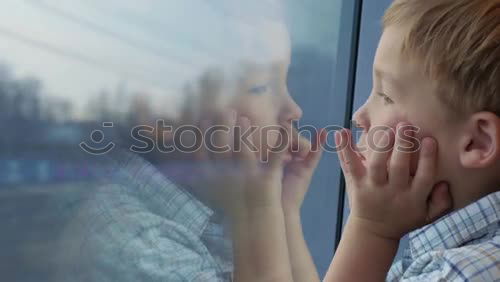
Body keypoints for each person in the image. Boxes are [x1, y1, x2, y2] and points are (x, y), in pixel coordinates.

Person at [54, 1, 326, 281]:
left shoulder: (215, 209)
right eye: (260, 86)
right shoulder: (141, 246)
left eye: (286, 81)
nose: (294, 110)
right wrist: (256, 212)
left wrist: (283, 212)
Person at [324, 0, 500, 281]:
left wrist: (370, 230)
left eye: (386, 96)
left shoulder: (457, 274)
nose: (360, 115)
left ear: (477, 142)